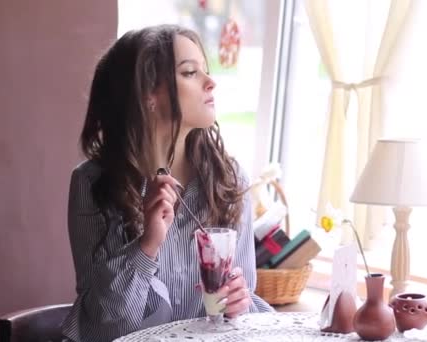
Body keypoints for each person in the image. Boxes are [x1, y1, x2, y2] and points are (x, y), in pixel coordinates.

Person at [61, 25, 273, 342]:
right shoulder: (92, 184)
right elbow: (105, 327)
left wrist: (238, 305)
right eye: (190, 72)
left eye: (206, 70)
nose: (210, 82)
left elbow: (239, 312)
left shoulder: (228, 181)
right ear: (148, 95)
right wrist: (147, 245)